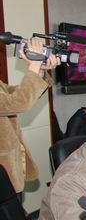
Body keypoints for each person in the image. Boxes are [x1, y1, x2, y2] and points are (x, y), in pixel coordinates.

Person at [0, 38, 58, 200]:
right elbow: (18, 102)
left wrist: (39, 70)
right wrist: (34, 64)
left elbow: (18, 94)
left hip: (9, 172)